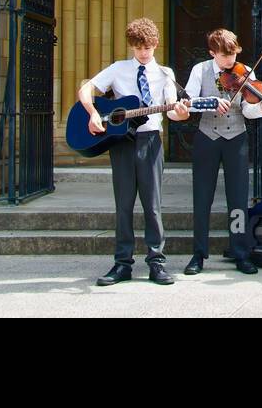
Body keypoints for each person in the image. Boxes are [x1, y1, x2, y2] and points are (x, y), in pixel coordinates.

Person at [77, 17, 189, 287]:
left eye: (148, 48)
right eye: (138, 48)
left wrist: (181, 114)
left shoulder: (165, 73)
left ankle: (157, 263)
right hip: (122, 142)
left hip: (150, 140)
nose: (143, 53)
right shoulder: (118, 69)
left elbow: (172, 109)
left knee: (152, 205)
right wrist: (93, 113)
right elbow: (85, 88)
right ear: (132, 46)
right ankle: (122, 264)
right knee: (124, 205)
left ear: (156, 44)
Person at [181, 28, 262, 275]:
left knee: (238, 199)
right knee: (202, 199)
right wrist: (211, 102)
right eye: (225, 56)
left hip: (236, 138)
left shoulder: (245, 71)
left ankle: (240, 252)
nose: (231, 61)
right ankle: (198, 255)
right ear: (213, 53)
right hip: (206, 137)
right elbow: (188, 102)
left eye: (233, 54)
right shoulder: (199, 70)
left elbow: (248, 110)